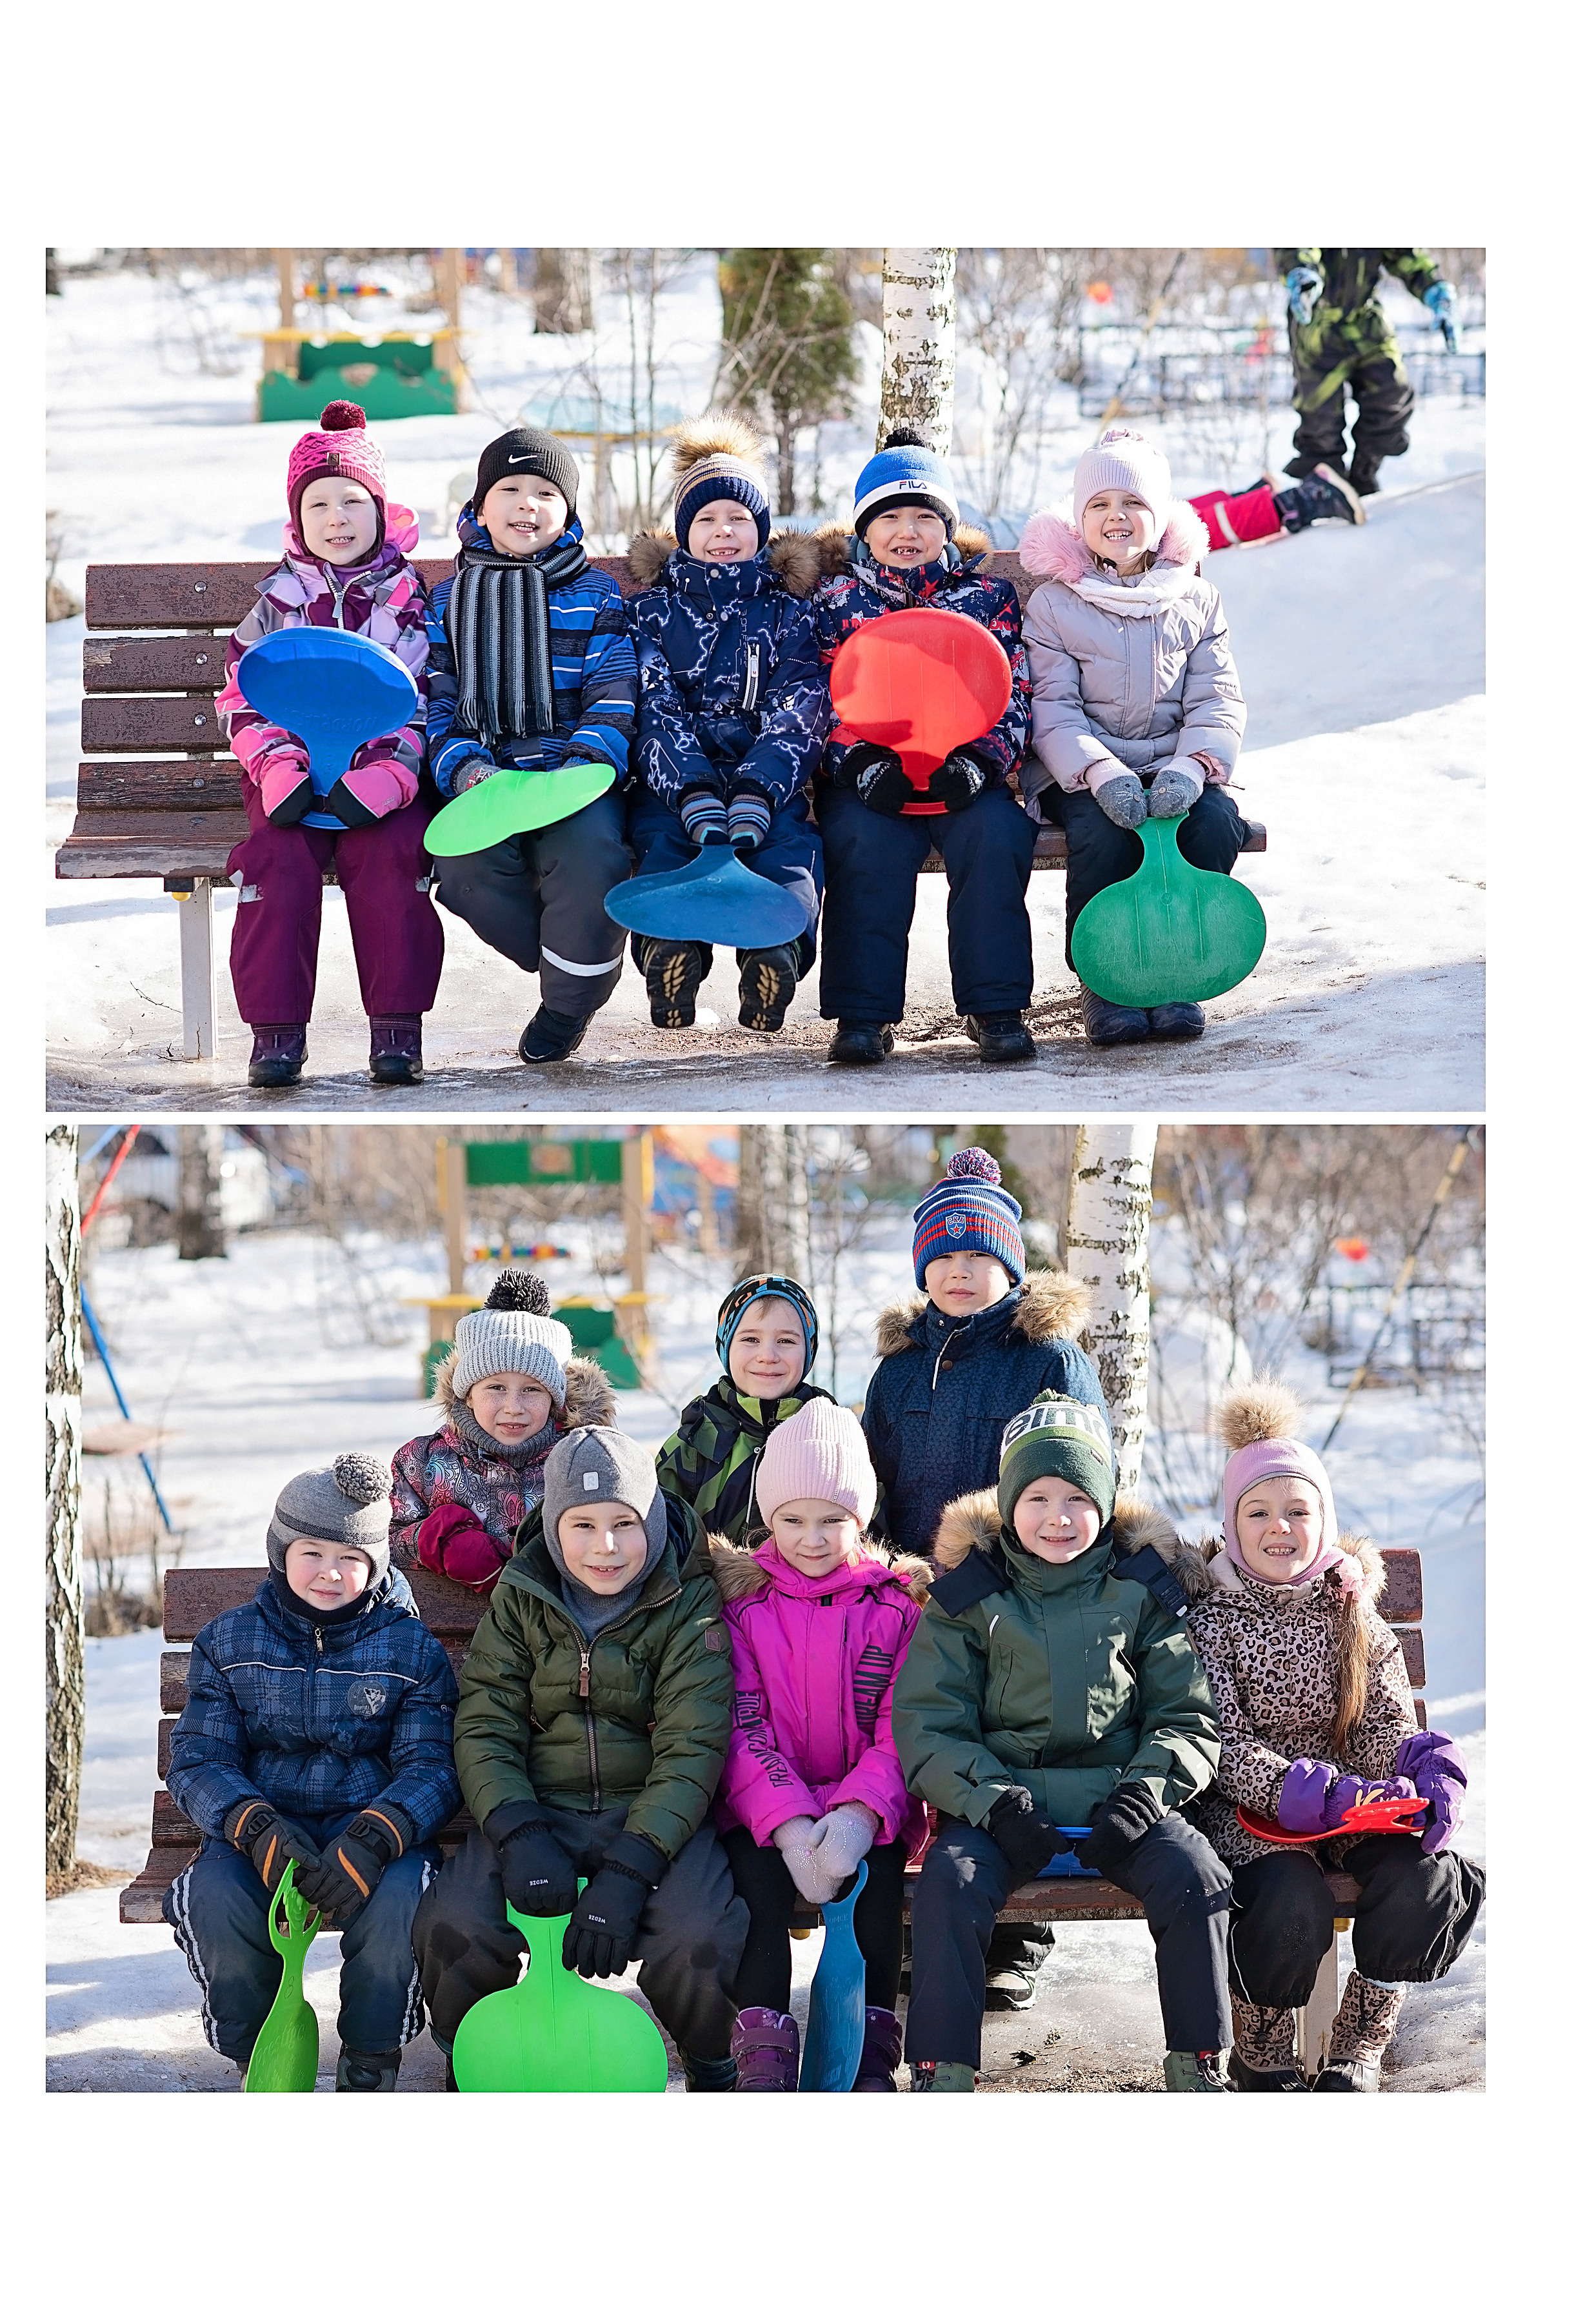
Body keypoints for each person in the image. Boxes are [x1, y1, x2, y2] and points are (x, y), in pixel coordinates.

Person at [894, 1394, 1233, 2091]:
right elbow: (931, 1723)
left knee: (1196, 1876)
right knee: (949, 1886)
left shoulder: (1138, 1590)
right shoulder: (971, 1598)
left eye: (1078, 1496)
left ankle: (1199, 2062)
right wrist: (996, 1804)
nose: (1058, 1516)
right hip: (1004, 1810)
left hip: (1123, 1802)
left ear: (1106, 1504)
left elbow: (1187, 1714)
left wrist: (1145, 1794)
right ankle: (942, 2068)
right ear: (1009, 1501)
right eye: (1038, 1495)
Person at [411, 1426, 750, 2090]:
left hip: (653, 1816)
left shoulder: (688, 1600)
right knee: (454, 1922)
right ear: (555, 1527)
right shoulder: (522, 1593)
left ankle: (713, 2061)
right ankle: (471, 2050)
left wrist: (631, 1871)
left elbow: (692, 1744)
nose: (607, 1545)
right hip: (538, 1807)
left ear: (650, 1518)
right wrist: (518, 1832)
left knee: (699, 1933)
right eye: (584, 1524)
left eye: (625, 1523)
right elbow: (486, 1721)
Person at [1182, 1381, 1485, 2092]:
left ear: (1324, 1519)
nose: (1279, 1527)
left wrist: (1419, 1782)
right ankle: (1262, 2050)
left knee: (1426, 1875)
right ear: (1233, 1525)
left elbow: (1388, 1724)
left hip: (1351, 1810)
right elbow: (1217, 1740)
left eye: (1297, 1510)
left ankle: (1358, 2043)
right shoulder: (1213, 1619)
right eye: (1258, 1512)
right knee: (1288, 1897)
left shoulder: (1352, 1612)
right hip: (1254, 1817)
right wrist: (1300, 1788)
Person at [861, 1145, 1102, 2012]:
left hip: (1019, 1591)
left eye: (980, 1255)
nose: (961, 1273)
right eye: (944, 1257)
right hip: (917, 1591)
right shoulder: (896, 1370)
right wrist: (879, 1570)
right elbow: (876, 1479)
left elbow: (1084, 1475)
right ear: (924, 1267)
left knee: (1012, 1737)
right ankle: (918, 1922)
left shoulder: (1049, 1359)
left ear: (1010, 1263)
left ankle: (1014, 1930)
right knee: (930, 1743)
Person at [162, 1454, 460, 2090]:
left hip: (374, 1831)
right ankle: (260, 2050)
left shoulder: (409, 1649)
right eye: (312, 1550)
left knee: (404, 1901)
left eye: (351, 1556)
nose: (331, 1571)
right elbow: (199, 1758)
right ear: (281, 1550)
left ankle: (371, 2055)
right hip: (264, 1827)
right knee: (213, 1898)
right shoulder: (230, 1639)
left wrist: (378, 1835)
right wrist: (254, 1825)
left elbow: (432, 1764)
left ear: (376, 1565)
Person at [215, 401, 443, 1091]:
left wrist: (385, 780)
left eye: (353, 502)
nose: (337, 519)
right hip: (291, 777)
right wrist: (278, 767)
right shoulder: (278, 602)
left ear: (380, 510)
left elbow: (423, 700)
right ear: (298, 518)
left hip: (380, 779)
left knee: (391, 858)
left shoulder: (406, 601)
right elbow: (243, 696)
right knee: (274, 863)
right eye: (319, 505)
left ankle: (397, 1030)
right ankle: (276, 1033)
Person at [710, 1399, 931, 2092]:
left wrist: (860, 1815)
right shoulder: (745, 1606)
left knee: (877, 1889)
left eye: (832, 1519)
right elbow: (742, 1724)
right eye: (793, 1519)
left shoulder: (895, 1606)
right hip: (766, 1811)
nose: (813, 1538)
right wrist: (789, 1821)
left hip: (871, 1808)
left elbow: (903, 1722)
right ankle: (765, 2050)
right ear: (768, 1519)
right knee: (756, 1891)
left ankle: (866, 2049)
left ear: (860, 1520)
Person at [812, 429, 1037, 1067]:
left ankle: (994, 1005)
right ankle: (864, 1014)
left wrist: (986, 759)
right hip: (872, 775)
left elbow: (1014, 686)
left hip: (961, 770)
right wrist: (852, 761)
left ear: (947, 527)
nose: (906, 530)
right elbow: (819, 694)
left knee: (996, 836)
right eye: (889, 516)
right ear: (864, 529)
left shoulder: (985, 598)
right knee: (863, 845)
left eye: (923, 517)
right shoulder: (839, 601)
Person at [1020, 428, 1250, 1048]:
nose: (1115, 518)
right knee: (1099, 832)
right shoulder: (1054, 604)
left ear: (1159, 517)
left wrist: (1193, 768)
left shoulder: (1195, 599)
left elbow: (1215, 700)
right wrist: (1100, 773)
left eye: (1132, 504)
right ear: (1079, 519)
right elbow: (1055, 708)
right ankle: (1107, 978)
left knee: (1211, 824)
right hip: (1086, 770)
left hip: (1176, 764)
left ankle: (1175, 969)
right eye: (1098, 505)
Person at [423, 428, 637, 1063]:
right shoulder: (449, 600)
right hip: (491, 776)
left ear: (569, 512)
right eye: (509, 489)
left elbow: (614, 690)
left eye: (546, 492)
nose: (527, 504)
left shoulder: (594, 594)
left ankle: (569, 1004)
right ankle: (563, 952)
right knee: (463, 866)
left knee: (592, 857)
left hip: (575, 775)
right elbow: (438, 700)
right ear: (479, 509)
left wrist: (583, 765)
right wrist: (465, 769)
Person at [624, 414, 826, 1033]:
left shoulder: (788, 613)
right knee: (664, 849)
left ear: (760, 531)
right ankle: (670, 954)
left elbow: (801, 704)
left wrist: (759, 790)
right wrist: (689, 791)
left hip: (766, 787)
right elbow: (652, 706)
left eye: (739, 519)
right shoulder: (652, 614)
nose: (723, 532)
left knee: (789, 853)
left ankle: (776, 953)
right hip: (673, 785)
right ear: (684, 533)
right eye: (706, 520)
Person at [390, 1268, 615, 1595]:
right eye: (496, 1388)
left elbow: (627, 1533)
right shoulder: (421, 1463)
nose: (514, 1407)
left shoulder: (584, 1459)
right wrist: (437, 1540)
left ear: (556, 1398)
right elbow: (379, 1547)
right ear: (467, 1393)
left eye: (532, 1390)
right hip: (453, 1637)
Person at [654, 1272, 831, 1543]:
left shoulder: (832, 1440)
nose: (768, 1356)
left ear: (809, 1350)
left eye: (786, 1341)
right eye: (750, 1340)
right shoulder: (694, 1444)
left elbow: (866, 1539)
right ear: (726, 1346)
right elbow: (658, 1549)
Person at [1275, 248, 1459, 497]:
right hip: (1316, 320)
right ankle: (1326, 488)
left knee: (1392, 394)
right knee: (1320, 419)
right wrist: (1302, 274)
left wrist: (1436, 291)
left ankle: (1364, 474)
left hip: (1366, 318)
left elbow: (1406, 255)